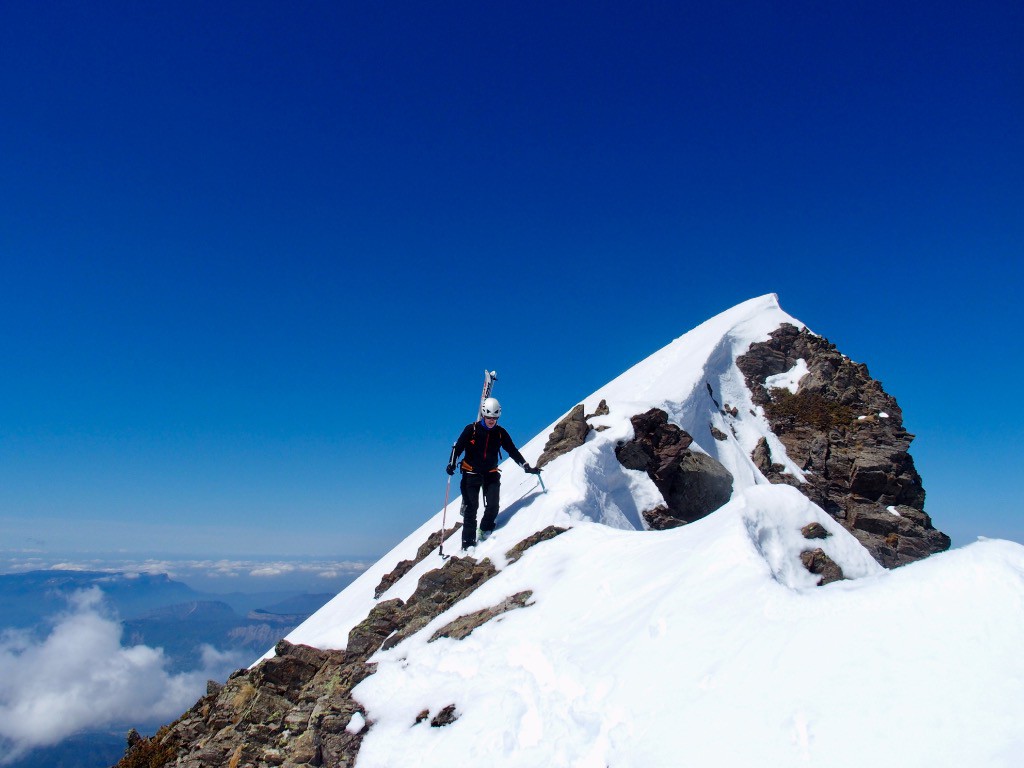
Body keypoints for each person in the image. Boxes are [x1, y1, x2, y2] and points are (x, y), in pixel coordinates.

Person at [447, 397, 539, 549]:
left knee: (493, 506)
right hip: (471, 473)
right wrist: (451, 464)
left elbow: (512, 450)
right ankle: (468, 544)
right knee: (471, 508)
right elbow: (458, 448)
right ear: (483, 414)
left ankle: (485, 530)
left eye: (495, 418)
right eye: (489, 417)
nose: (491, 420)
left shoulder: (500, 433)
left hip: (490, 473)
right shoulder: (472, 429)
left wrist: (526, 465)